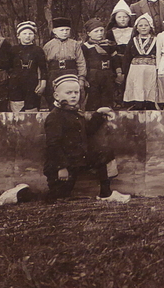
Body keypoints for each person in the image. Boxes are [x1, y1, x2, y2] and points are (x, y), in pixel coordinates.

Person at [43, 73, 128, 202]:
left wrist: (98, 114)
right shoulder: (55, 117)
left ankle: (106, 193)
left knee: (104, 153)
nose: (73, 96)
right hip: (62, 165)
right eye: (68, 92)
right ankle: (21, 193)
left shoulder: (74, 112)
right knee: (57, 197)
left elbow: (86, 131)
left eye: (76, 92)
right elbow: (53, 145)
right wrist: (61, 168)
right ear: (56, 96)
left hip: (77, 159)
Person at [82, 18, 121, 111]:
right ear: (88, 33)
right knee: (93, 98)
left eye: (101, 30)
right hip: (93, 76)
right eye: (96, 31)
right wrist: (84, 78)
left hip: (107, 75)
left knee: (107, 98)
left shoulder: (109, 45)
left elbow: (115, 60)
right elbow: (83, 63)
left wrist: (119, 73)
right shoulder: (85, 47)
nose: (99, 33)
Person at [8, 20, 47, 112]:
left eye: (30, 34)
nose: (27, 36)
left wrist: (43, 84)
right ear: (18, 36)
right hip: (16, 84)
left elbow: (43, 68)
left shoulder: (38, 50)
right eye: (24, 33)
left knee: (32, 109)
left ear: (34, 36)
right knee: (17, 109)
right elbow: (8, 67)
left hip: (32, 83)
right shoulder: (13, 50)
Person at [122, 13, 157, 109]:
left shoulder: (156, 40)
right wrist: (124, 71)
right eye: (140, 25)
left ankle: (150, 106)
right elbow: (127, 56)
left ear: (151, 27)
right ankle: (137, 106)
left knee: (150, 89)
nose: (143, 28)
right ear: (136, 28)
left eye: (146, 25)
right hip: (136, 70)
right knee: (137, 88)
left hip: (151, 70)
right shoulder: (133, 40)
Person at [42, 16, 87, 89]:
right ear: (54, 31)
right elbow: (44, 65)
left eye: (67, 30)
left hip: (71, 73)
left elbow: (81, 62)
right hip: (54, 74)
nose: (65, 32)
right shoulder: (48, 46)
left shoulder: (75, 44)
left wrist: (81, 78)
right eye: (61, 30)